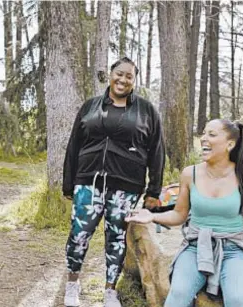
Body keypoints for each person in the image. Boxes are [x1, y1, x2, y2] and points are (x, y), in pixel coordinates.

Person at [126, 119, 243, 306]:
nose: (203, 139)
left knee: (238, 300)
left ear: (230, 144)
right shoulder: (190, 173)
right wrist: (152, 216)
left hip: (234, 250)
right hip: (195, 247)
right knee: (177, 296)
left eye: (211, 134)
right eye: (203, 133)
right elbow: (179, 214)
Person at [62, 57, 165, 307]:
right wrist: (69, 183)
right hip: (89, 182)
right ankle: (73, 283)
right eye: (119, 74)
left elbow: (157, 151)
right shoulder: (90, 107)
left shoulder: (146, 110)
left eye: (129, 76)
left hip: (126, 187)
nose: (123, 79)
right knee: (79, 234)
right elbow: (74, 145)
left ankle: (110, 290)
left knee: (116, 238)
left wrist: (153, 191)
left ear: (134, 80)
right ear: (110, 75)